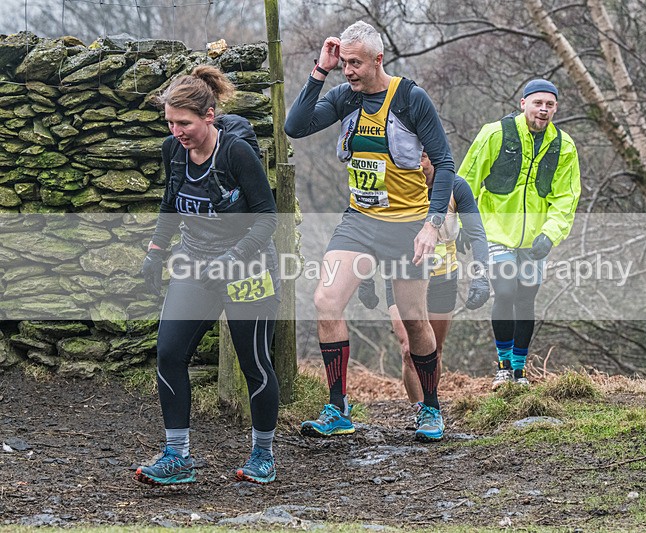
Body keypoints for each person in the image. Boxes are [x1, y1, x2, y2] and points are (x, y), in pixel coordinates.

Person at [284, 21, 456, 442]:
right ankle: (338, 407)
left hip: (407, 226)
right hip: (359, 222)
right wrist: (320, 71)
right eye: (344, 62)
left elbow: (445, 164)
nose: (348, 71)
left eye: (355, 63)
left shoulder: (411, 99)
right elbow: (295, 126)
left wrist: (432, 225)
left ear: (378, 60)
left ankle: (431, 409)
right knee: (326, 301)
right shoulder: (345, 95)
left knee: (414, 321)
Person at [135, 65, 281, 485]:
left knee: (255, 362)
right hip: (195, 262)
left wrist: (234, 257)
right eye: (170, 122)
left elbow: (268, 218)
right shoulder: (173, 150)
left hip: (249, 266)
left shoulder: (236, 154)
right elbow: (170, 204)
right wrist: (156, 251)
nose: (176, 131)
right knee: (169, 352)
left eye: (184, 123)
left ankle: (263, 455)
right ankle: (177, 456)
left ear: (209, 116)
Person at [459, 79, 581, 390]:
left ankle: (519, 369)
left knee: (526, 298)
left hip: (536, 238)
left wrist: (550, 234)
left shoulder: (564, 146)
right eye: (538, 103)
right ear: (523, 103)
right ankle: (502, 368)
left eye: (550, 104)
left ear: (556, 108)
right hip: (495, 230)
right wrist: (462, 224)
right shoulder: (495, 134)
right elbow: (467, 179)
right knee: (505, 291)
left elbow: (566, 197)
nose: (543, 109)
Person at [358, 152, 490, 418]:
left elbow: (477, 234)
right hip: (401, 275)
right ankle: (420, 409)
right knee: (408, 349)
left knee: (433, 350)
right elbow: (370, 231)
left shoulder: (455, 187)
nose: (416, 162)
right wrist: (366, 278)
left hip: (443, 277)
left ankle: (430, 408)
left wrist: (481, 276)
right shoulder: (392, 186)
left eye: (423, 156)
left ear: (434, 158)